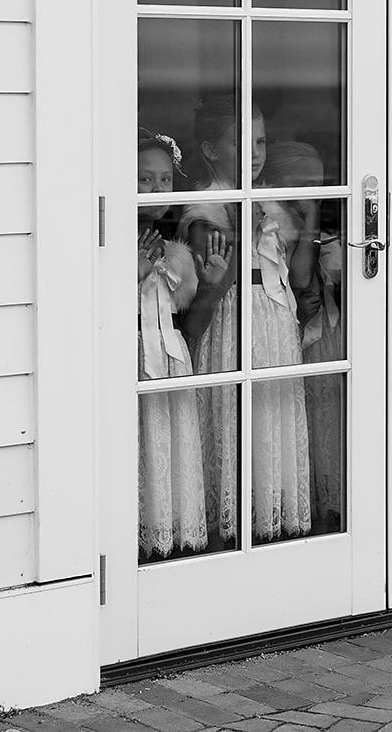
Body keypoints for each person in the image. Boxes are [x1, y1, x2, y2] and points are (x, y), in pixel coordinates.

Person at [179, 95, 313, 543]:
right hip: (235, 324)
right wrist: (245, 234)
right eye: (241, 142)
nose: (256, 154)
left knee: (270, 423)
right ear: (211, 150)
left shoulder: (269, 204)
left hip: (274, 326)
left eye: (261, 141)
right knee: (235, 422)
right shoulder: (206, 208)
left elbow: (293, 274)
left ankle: (269, 524)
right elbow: (212, 285)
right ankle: (231, 531)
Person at [134, 130, 227, 560]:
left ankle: (168, 542)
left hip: (171, 368)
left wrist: (208, 287)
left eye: (165, 180)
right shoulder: (104, 251)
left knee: (167, 451)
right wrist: (132, 273)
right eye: (145, 179)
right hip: (131, 363)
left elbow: (191, 331)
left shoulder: (178, 255)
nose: (157, 190)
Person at [262, 141, 343, 528]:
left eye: (320, 185)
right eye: (305, 185)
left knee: (327, 417)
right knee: (301, 421)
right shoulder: (276, 223)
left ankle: (330, 508)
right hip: (289, 337)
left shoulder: (311, 225)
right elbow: (299, 278)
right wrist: (310, 216)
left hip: (324, 337)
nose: (315, 193)